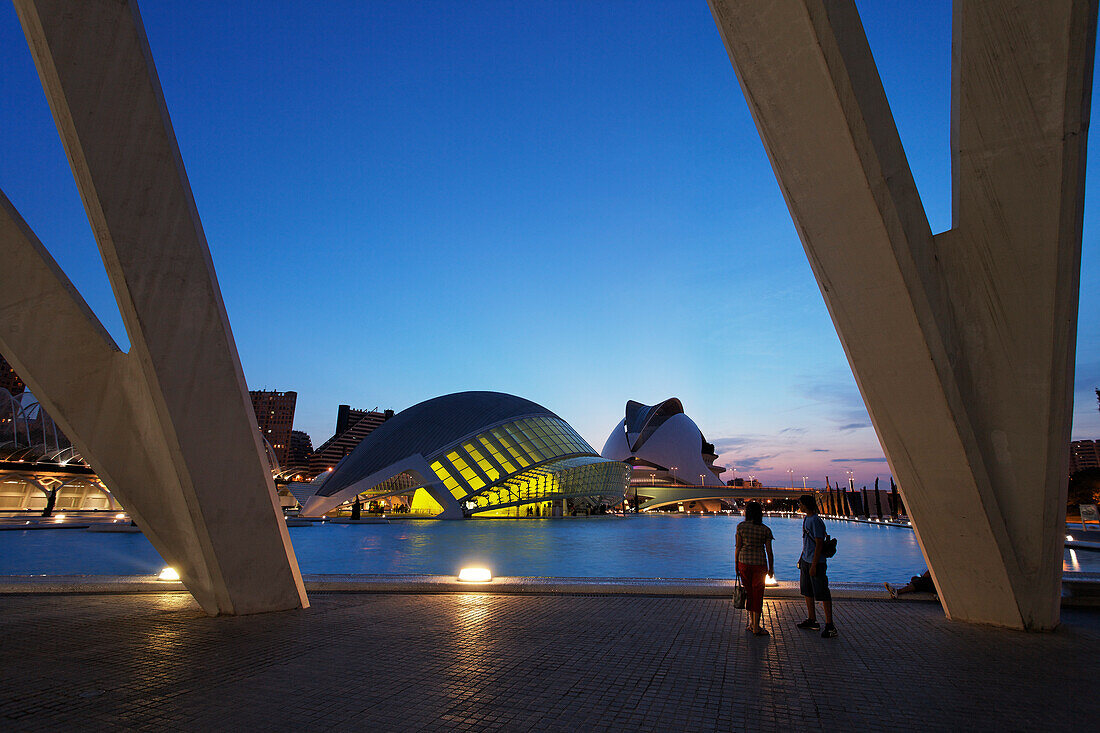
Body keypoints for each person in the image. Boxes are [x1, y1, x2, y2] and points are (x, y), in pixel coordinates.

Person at [796, 494, 837, 638]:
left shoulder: (816, 521)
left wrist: (814, 564)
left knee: (822, 592)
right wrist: (802, 558)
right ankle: (812, 620)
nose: (799, 506)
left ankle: (830, 625)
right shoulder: (807, 519)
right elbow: (807, 541)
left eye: (800, 504)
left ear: (806, 505)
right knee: (807, 591)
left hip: (816, 563)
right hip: (806, 561)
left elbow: (819, 543)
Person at [735, 501, 775, 635]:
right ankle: (756, 626)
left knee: (749, 593)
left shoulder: (741, 527)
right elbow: (769, 551)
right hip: (759, 564)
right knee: (758, 593)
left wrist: (736, 564)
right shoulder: (765, 529)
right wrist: (771, 568)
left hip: (744, 562)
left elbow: (738, 547)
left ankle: (752, 624)